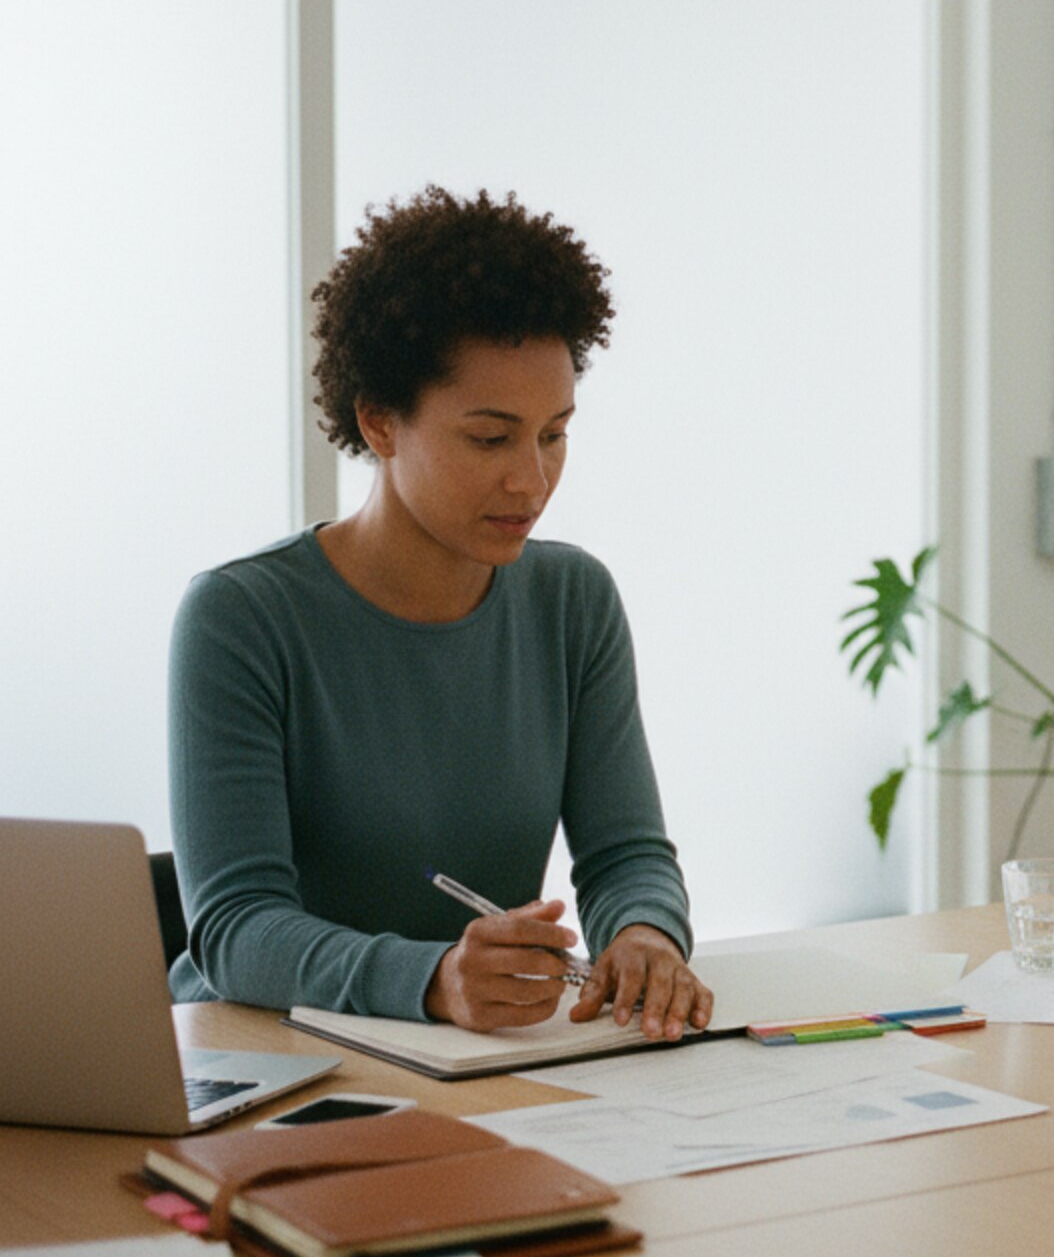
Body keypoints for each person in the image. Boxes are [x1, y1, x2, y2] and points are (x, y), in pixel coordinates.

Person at [169, 186, 711, 1041]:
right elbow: (236, 928)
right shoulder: (242, 617)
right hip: (268, 1063)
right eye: (490, 439)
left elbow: (626, 855)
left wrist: (644, 935)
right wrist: (433, 979)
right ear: (380, 421)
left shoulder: (574, 601)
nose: (530, 481)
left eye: (554, 433)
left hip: (469, 1060)